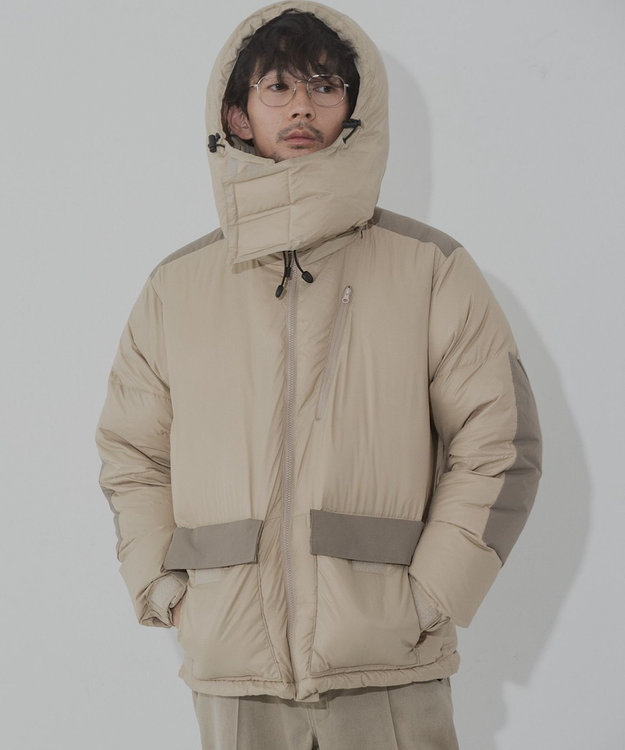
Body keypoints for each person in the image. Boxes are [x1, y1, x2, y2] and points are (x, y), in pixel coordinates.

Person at [95, 2, 542, 748]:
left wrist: (432, 594)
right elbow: (132, 454)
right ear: (236, 115)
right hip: (233, 668)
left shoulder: (430, 268)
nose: (302, 105)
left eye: (325, 86)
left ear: (352, 108)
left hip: (387, 665)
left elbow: (500, 443)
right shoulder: (176, 288)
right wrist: (164, 589)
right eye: (277, 86)